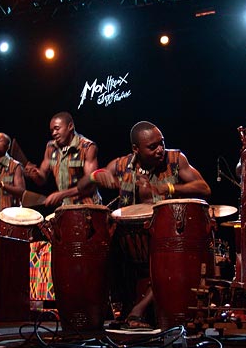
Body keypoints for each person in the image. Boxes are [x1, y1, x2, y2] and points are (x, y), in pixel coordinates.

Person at [78, 120, 211, 329]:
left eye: (162, 143)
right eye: (152, 146)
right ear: (135, 149)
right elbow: (82, 187)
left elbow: (204, 188)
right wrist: (96, 176)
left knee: (169, 256)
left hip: (167, 235)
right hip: (128, 236)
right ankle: (111, 311)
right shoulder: (120, 165)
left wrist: (167, 188)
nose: (160, 149)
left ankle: (138, 310)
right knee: (101, 249)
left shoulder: (175, 159)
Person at [24, 111, 101, 207]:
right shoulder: (50, 147)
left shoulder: (88, 147)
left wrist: (62, 194)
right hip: (66, 207)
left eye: (57, 129)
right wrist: (34, 173)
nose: (54, 133)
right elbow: (42, 179)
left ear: (70, 126)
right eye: (52, 131)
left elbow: (90, 185)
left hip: (88, 206)